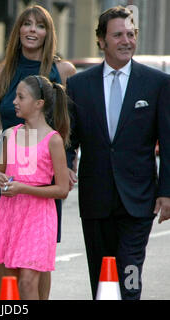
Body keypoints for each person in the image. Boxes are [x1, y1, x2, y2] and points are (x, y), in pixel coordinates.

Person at [66, 6, 170, 300]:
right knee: (100, 278)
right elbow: (69, 138)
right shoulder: (78, 85)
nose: (126, 41)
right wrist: (67, 165)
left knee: (129, 273)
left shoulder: (157, 84)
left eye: (131, 34)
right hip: (95, 198)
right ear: (101, 41)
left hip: (138, 200)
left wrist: (167, 191)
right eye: (118, 35)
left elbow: (169, 141)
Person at [0, 4, 76, 299]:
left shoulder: (63, 71)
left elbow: (69, 125)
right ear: (18, 30)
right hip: (7, 175)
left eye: (40, 25)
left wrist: (69, 165)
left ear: (49, 33)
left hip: (42, 179)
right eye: (27, 24)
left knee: (35, 262)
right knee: (0, 258)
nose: (32, 30)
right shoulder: (3, 71)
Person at [0, 75, 70, 299]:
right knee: (7, 284)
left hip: (38, 216)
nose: (14, 101)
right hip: (9, 213)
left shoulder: (53, 140)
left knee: (27, 283)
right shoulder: (10, 134)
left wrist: (24, 189)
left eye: (20, 97)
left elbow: (62, 189)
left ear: (38, 104)